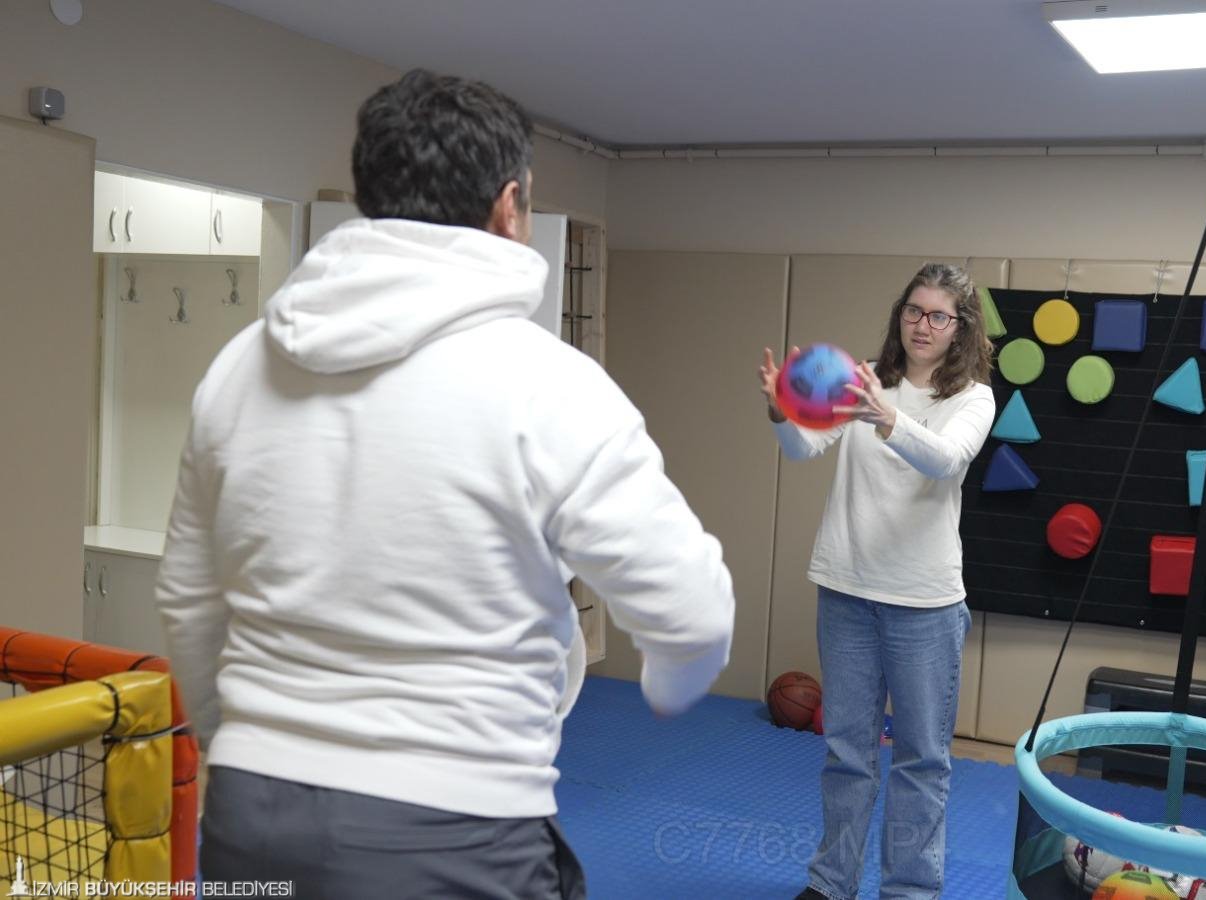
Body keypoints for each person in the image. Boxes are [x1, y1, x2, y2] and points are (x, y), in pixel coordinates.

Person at [155, 69, 736, 900]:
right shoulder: (549, 383)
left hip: (252, 818)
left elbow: (188, 598)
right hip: (456, 827)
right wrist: (670, 686)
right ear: (509, 206)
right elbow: (692, 613)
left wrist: (240, 742)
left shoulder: (238, 368)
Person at [760, 264, 997, 900]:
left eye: (939, 315)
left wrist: (885, 416)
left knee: (921, 759)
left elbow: (945, 461)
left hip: (924, 605)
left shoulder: (972, 398)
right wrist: (782, 411)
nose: (923, 325)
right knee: (847, 752)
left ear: (960, 328)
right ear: (901, 315)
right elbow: (804, 448)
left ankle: (909, 891)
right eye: (914, 310)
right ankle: (830, 884)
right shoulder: (866, 377)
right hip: (846, 590)